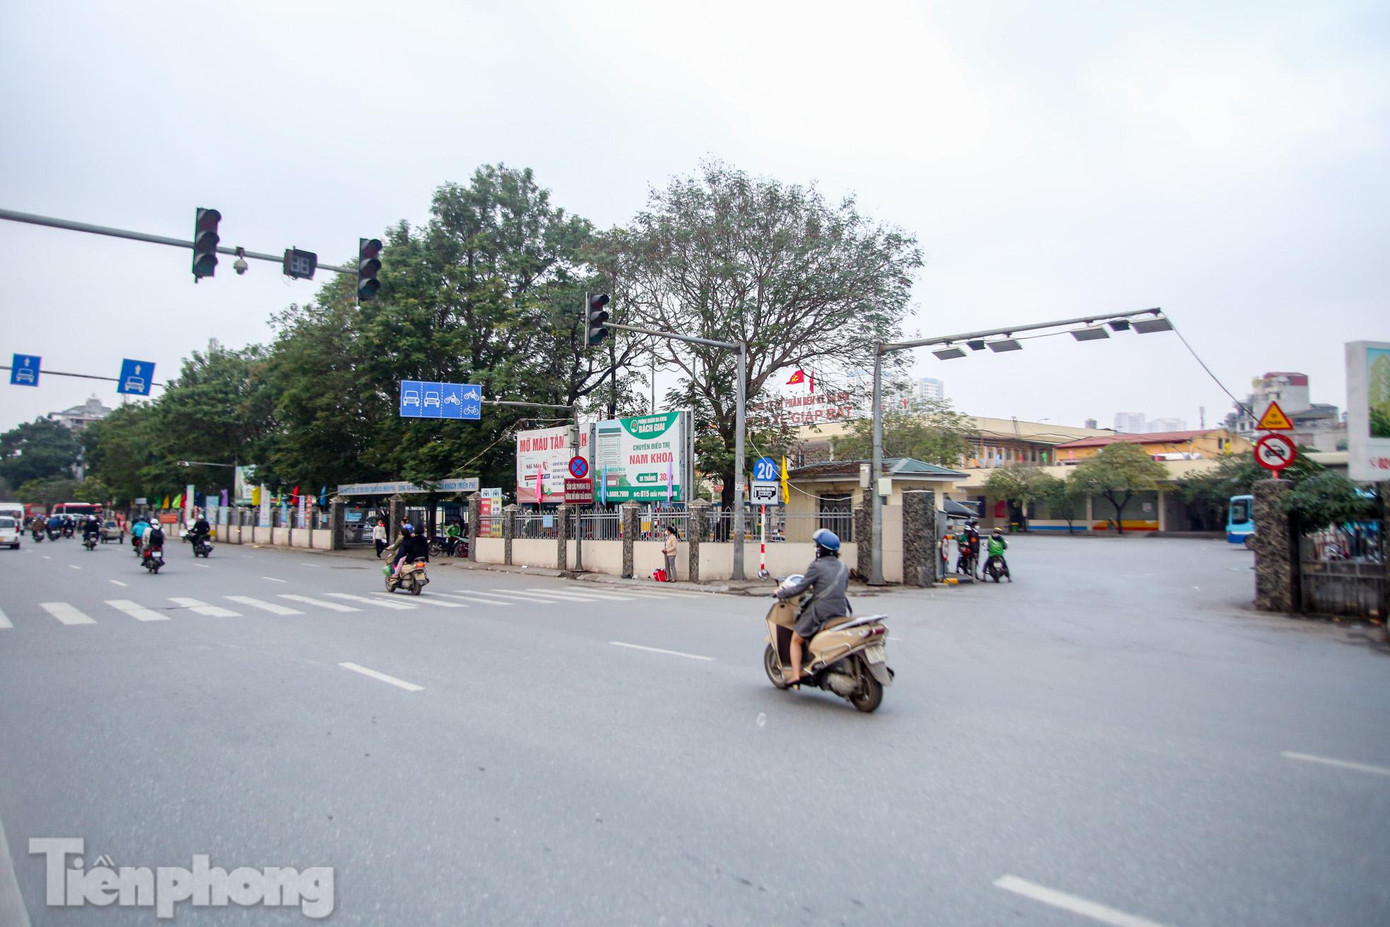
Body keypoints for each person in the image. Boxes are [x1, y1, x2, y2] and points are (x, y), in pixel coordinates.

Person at [774, 528, 851, 686]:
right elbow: (842, 587)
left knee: (796, 639)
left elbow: (799, 588)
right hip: (841, 611)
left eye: (817, 546)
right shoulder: (843, 567)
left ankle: (795, 675)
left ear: (821, 549)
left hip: (821, 612)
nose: (815, 549)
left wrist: (781, 592)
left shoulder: (817, 566)